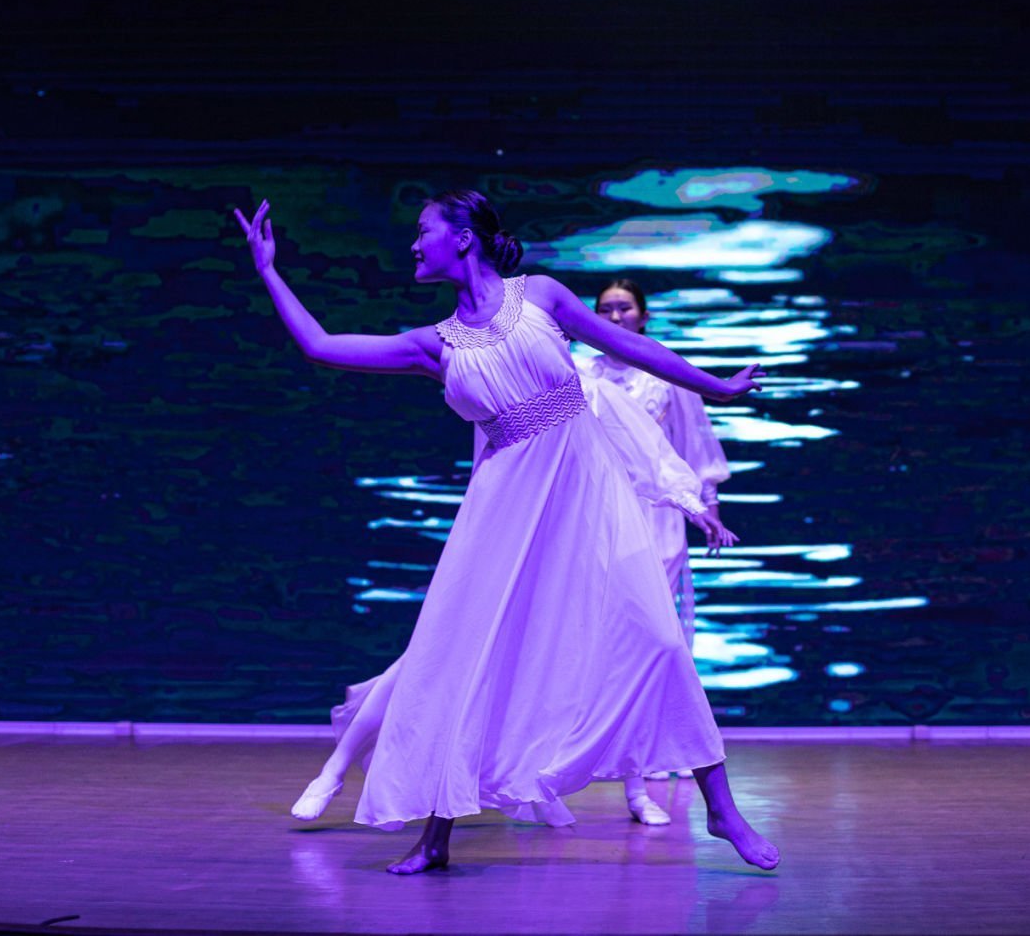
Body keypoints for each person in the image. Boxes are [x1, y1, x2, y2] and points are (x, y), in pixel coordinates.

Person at [234, 190, 779, 875]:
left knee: (663, 641)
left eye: (423, 231)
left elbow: (633, 347)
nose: (413, 244)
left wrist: (717, 387)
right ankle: (436, 835)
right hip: (501, 512)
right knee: (466, 660)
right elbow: (321, 346)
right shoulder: (435, 343)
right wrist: (268, 270)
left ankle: (720, 809)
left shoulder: (541, 296)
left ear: (463, 237)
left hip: (587, 497)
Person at [288, 364, 732, 829]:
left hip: (578, 548)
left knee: (582, 665)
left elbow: (648, 454)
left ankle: (567, 786)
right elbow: (489, 472)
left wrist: (695, 505)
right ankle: (335, 768)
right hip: (511, 543)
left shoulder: (587, 393)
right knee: (429, 661)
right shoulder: (503, 394)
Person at [578, 278, 736, 809]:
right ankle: (620, 767)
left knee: (657, 640)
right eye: (604, 309)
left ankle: (655, 762)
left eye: (624, 308)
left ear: (643, 316)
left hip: (659, 517)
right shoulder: (581, 373)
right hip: (599, 516)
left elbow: (695, 446)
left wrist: (707, 510)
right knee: (606, 638)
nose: (614, 317)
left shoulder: (664, 371)